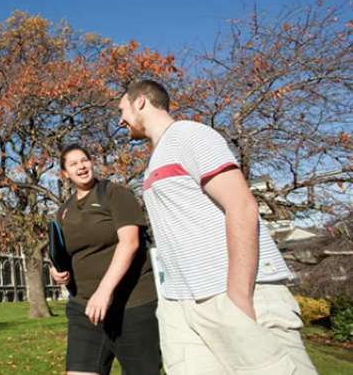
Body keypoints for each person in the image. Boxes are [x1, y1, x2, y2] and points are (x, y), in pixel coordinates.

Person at [117, 79, 316, 374]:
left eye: (122, 109)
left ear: (141, 101)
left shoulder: (189, 134)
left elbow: (241, 205)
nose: (120, 120)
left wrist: (238, 296)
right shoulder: (157, 157)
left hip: (229, 292)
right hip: (182, 301)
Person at [51, 143, 161, 375]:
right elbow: (68, 253)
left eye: (84, 160)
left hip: (132, 305)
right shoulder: (63, 212)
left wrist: (105, 290)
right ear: (64, 173)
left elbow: (130, 243)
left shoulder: (115, 194)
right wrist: (58, 271)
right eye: (73, 164)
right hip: (85, 308)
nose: (81, 166)